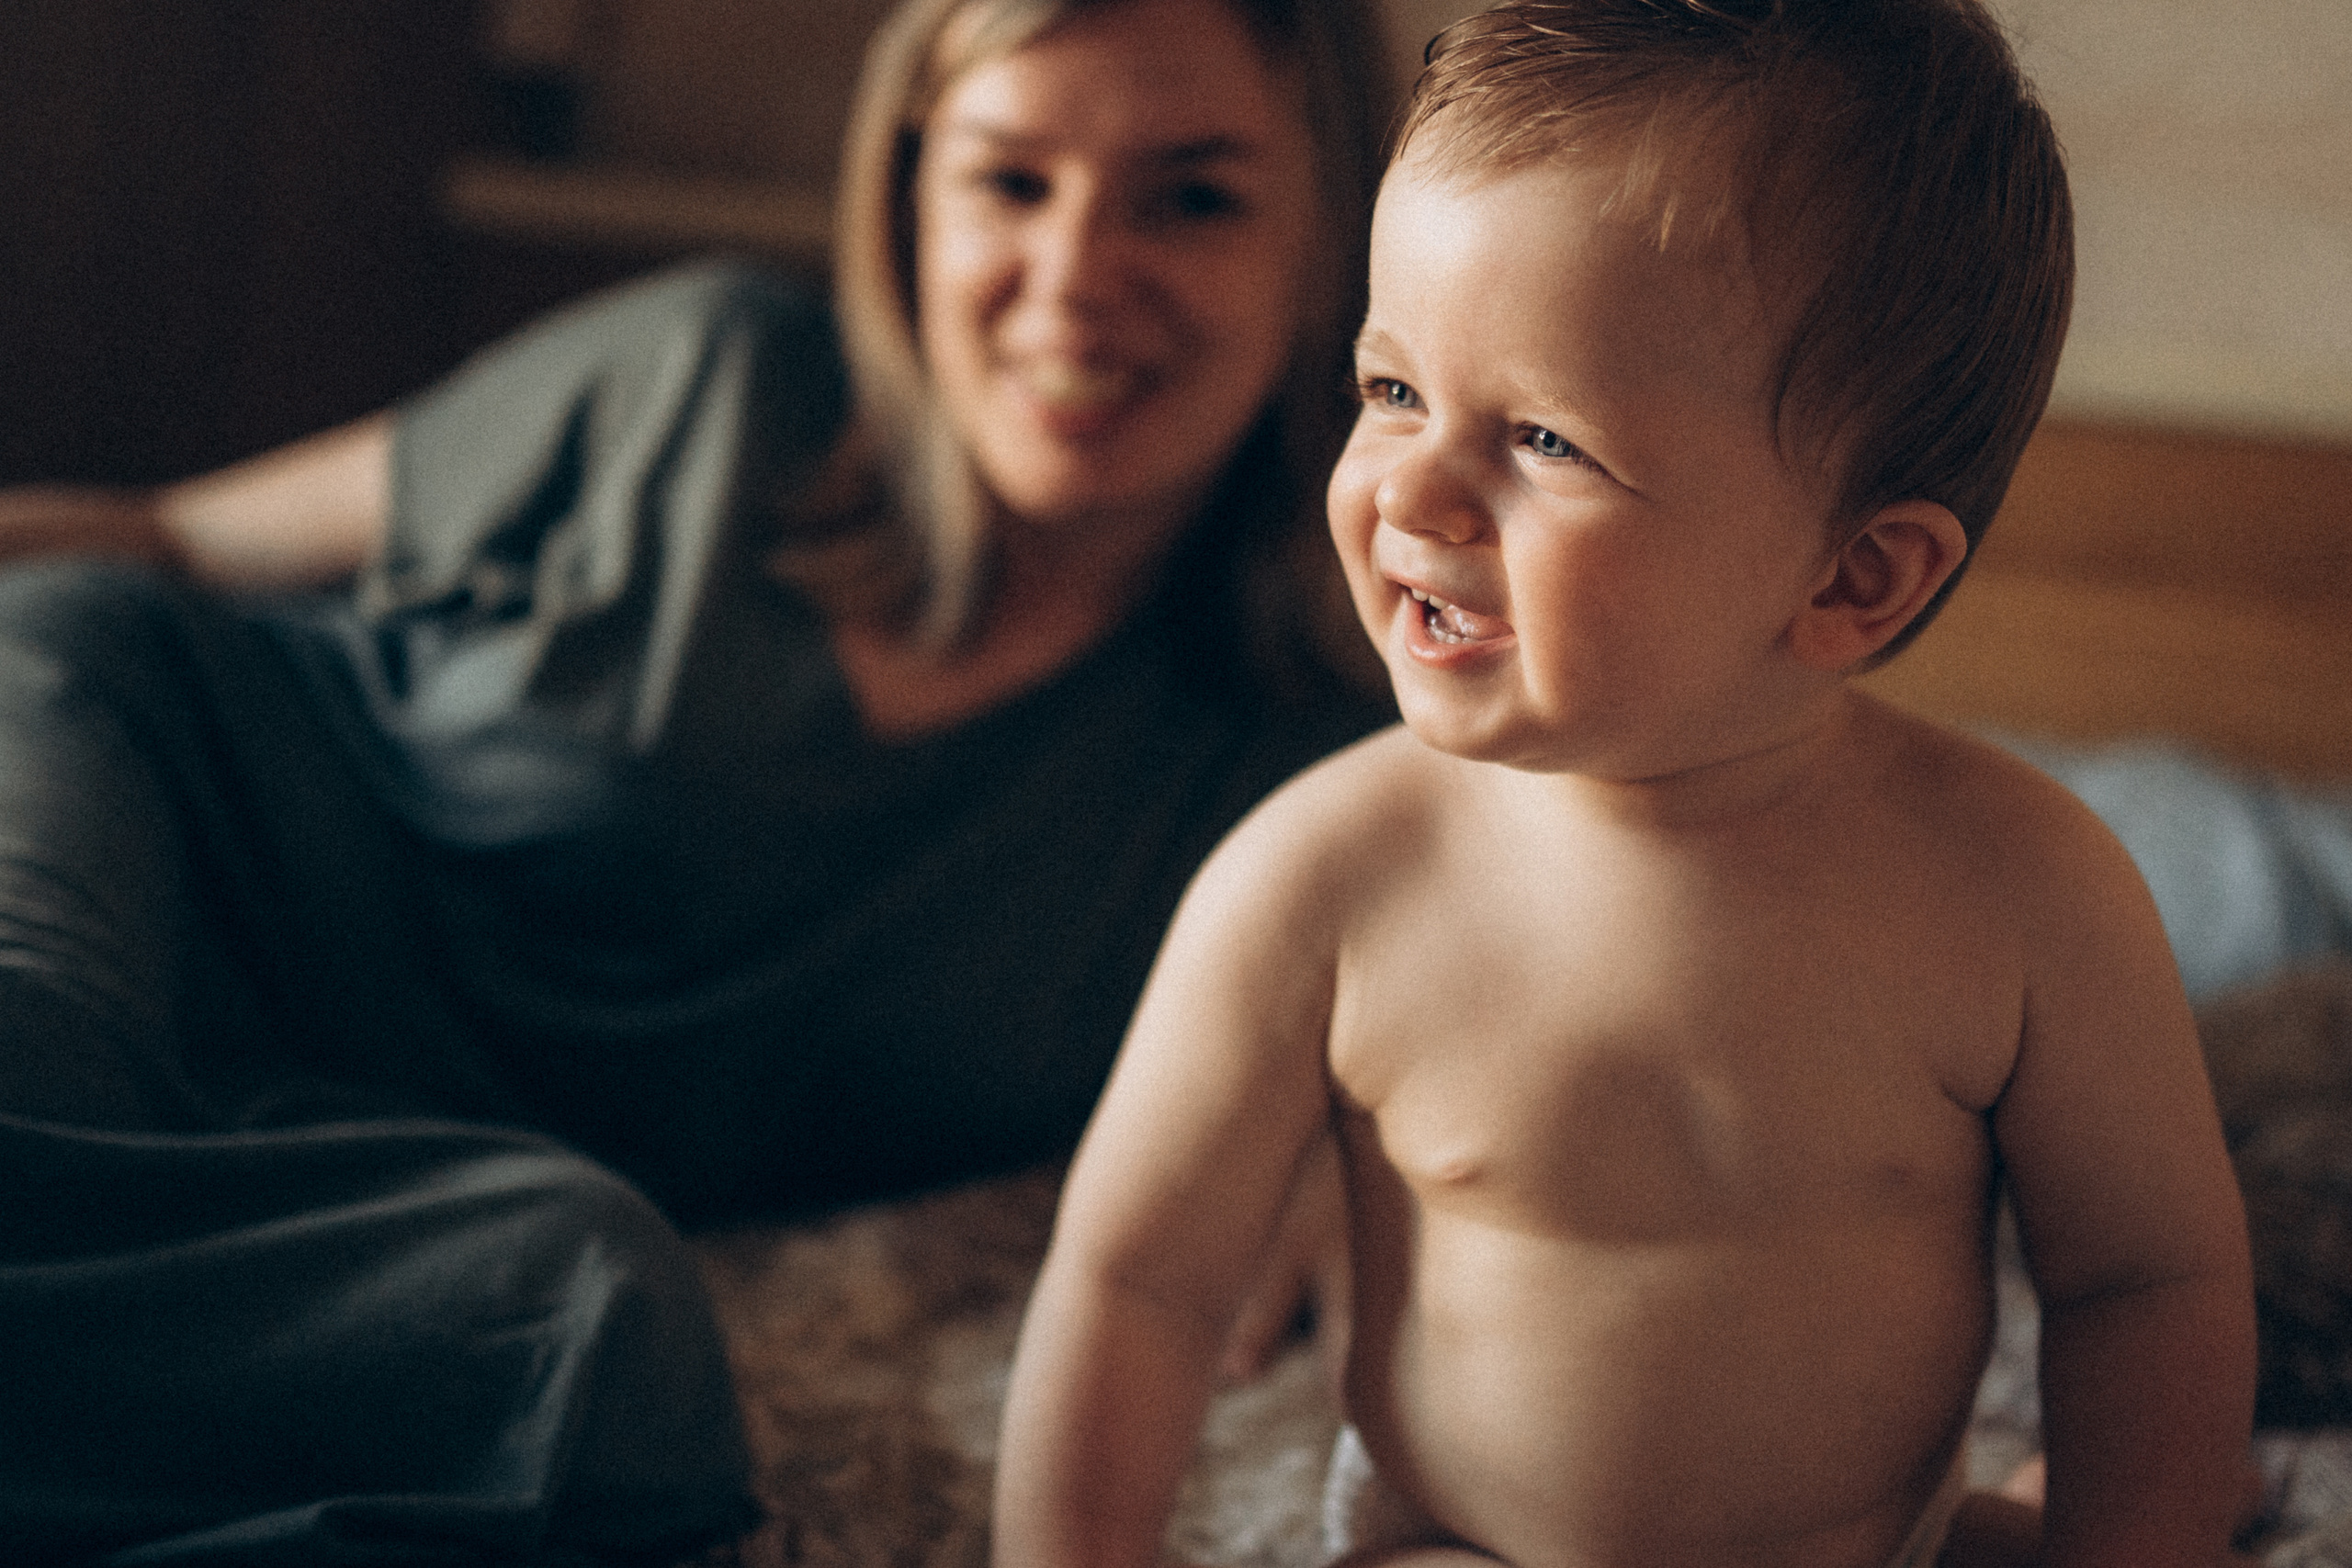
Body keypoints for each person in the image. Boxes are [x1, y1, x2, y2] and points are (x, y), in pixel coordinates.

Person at [0, 0, 1396, 1562]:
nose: (1074, 277)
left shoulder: (1319, 771)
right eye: (1010, 182)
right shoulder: (721, 377)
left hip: (307, 1171)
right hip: (126, 809)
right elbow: (173, 541)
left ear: (1335, 237)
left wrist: (1347, 1148)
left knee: (587, 1325)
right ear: (909, 200)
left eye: (1191, 199)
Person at [990, 5, 2259, 1568]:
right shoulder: (1324, 878)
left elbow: (2147, 1285)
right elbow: (1136, 1283)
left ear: (1853, 577)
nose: (1413, 491)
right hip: (1464, 1545)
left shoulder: (2022, 892)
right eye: (1390, 391)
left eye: (1543, 438)